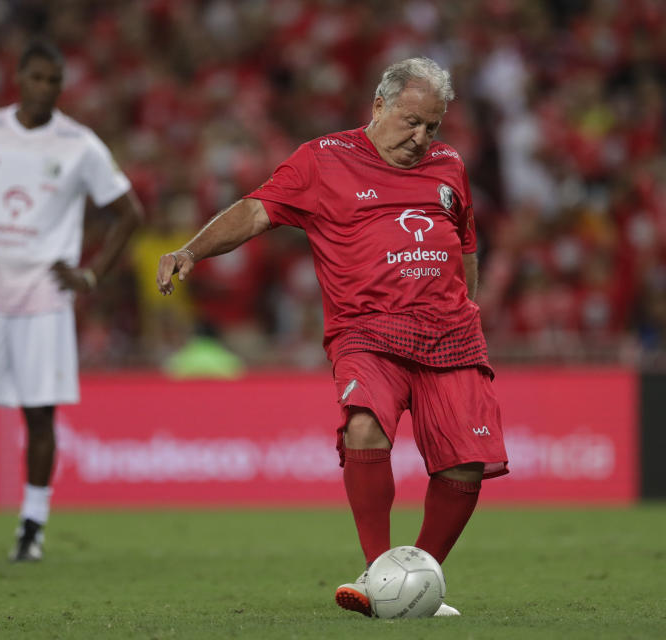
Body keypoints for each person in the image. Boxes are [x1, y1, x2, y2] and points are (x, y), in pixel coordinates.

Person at [156, 58, 508, 616]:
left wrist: (471, 308)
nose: (420, 139)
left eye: (432, 127)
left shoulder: (450, 165)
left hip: (451, 334)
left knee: (465, 464)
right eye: (411, 122)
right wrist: (190, 251)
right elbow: (255, 211)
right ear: (379, 106)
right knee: (364, 426)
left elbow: (464, 244)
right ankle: (378, 572)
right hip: (367, 330)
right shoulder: (323, 160)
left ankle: (417, 580)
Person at [0, 40, 143, 561]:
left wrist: (90, 274)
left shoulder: (78, 143)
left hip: (45, 296)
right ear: (18, 78)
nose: (45, 88)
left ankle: (32, 527)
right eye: (37, 78)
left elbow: (129, 212)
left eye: (54, 81)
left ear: (60, 86)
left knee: (39, 415)